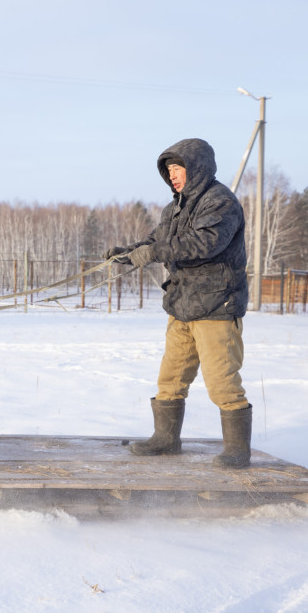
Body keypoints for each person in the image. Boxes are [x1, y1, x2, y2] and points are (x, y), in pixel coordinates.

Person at [104, 137, 252, 467]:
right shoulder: (175, 207)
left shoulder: (220, 202)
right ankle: (166, 439)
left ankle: (238, 450)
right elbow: (159, 241)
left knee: (222, 381)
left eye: (178, 168)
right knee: (170, 377)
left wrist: (154, 253)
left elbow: (205, 243)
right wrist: (129, 254)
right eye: (169, 169)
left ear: (196, 168)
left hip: (216, 305)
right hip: (182, 303)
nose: (173, 175)